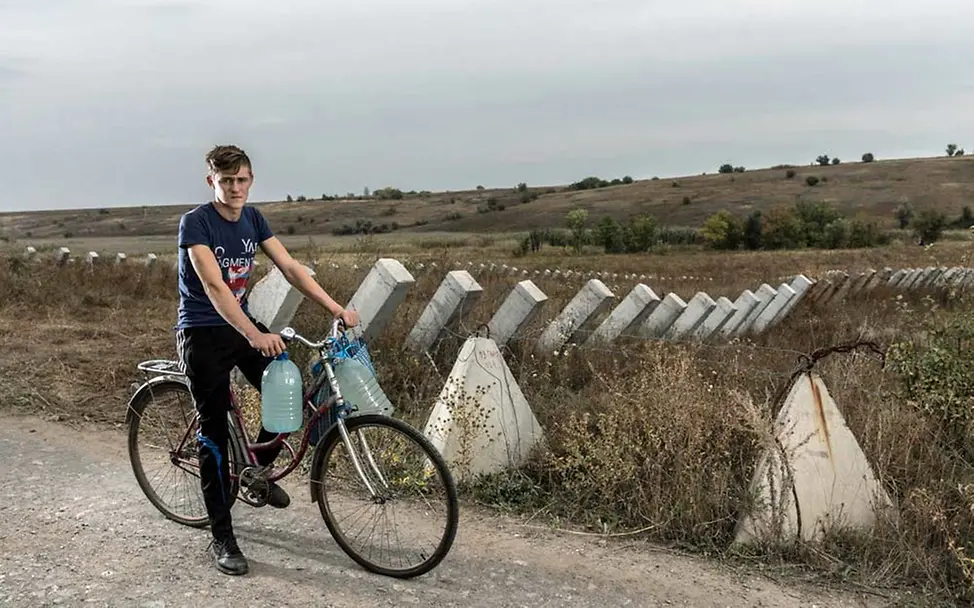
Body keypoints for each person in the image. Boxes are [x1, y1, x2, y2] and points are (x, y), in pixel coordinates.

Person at [174, 144, 359, 576]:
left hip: (242, 327)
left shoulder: (253, 219)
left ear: (251, 180)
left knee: (287, 395)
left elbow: (291, 267)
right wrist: (255, 334)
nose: (235, 188)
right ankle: (221, 536)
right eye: (226, 181)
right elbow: (217, 289)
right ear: (211, 182)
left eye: (242, 180)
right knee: (214, 435)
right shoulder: (195, 224)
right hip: (202, 333)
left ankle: (255, 473)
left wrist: (335, 307)